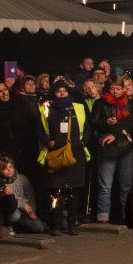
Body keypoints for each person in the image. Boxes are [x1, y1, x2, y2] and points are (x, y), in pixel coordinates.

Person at [36, 81, 91, 236]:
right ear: (54, 93)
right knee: (56, 192)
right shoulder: (45, 108)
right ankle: (56, 225)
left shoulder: (78, 107)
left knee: (74, 192)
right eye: (58, 91)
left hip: (75, 155)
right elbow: (38, 130)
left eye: (64, 90)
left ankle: (72, 224)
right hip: (55, 155)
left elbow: (87, 129)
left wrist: (81, 143)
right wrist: (48, 142)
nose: (62, 93)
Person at [90, 75, 133, 224]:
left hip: (126, 147)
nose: (115, 91)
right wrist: (106, 123)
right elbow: (93, 123)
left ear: (124, 89)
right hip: (107, 148)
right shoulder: (100, 103)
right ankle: (103, 216)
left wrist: (116, 130)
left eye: (118, 88)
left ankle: (126, 216)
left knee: (126, 186)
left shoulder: (130, 104)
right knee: (105, 186)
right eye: (112, 88)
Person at [0, 155, 47, 234]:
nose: (9, 170)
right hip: (10, 210)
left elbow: (31, 196)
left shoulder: (22, 178)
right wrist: (22, 205)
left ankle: (18, 227)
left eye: (10, 166)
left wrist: (32, 211)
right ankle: (9, 225)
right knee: (15, 215)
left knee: (40, 228)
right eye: (4, 168)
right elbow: (3, 203)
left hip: (25, 211)